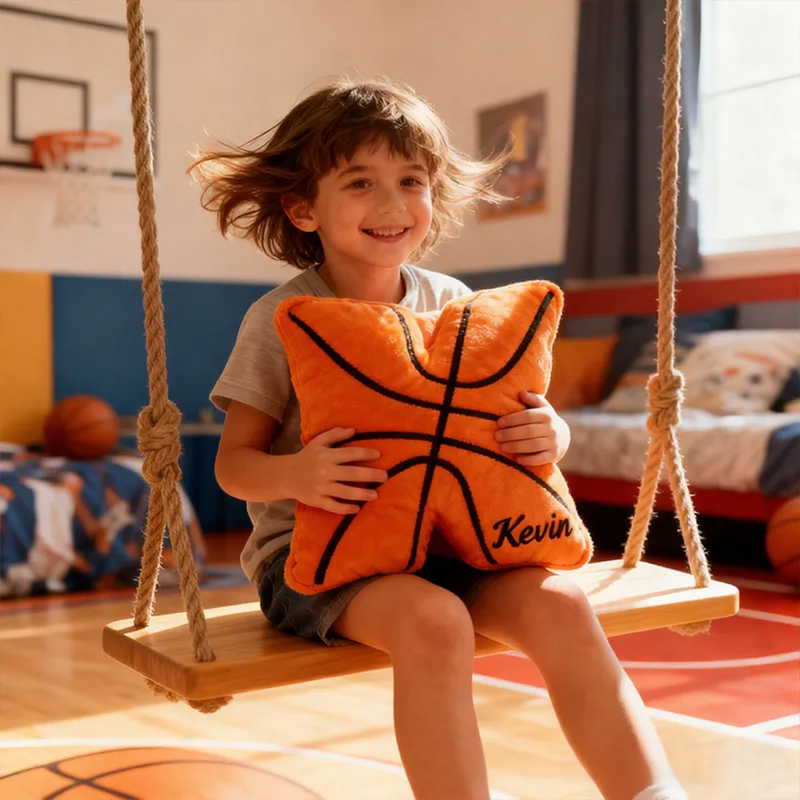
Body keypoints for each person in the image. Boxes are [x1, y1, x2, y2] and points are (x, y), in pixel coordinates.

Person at [194, 77, 687, 800]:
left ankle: (652, 793)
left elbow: (513, 426)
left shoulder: (454, 305)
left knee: (563, 605)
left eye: (411, 180)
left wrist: (549, 432)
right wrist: (298, 476)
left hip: (456, 542)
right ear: (304, 207)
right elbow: (234, 466)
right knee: (434, 622)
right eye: (359, 183)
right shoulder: (283, 317)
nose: (392, 204)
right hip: (321, 563)